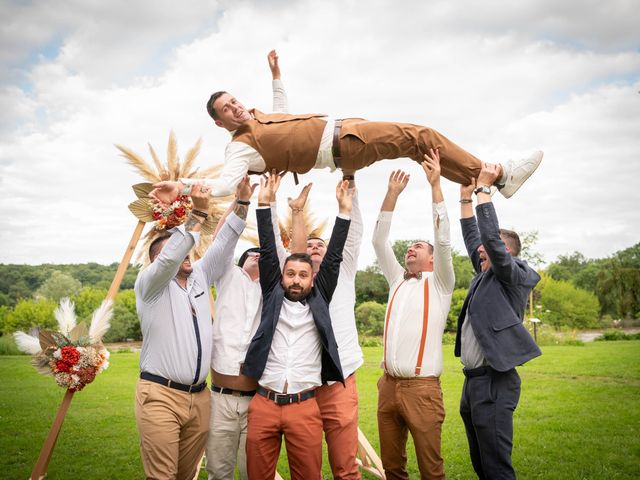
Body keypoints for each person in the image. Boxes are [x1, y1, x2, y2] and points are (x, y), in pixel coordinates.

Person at [151, 50, 542, 202]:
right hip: (343, 143)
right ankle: (501, 171)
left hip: (347, 130)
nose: (236, 107)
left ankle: (485, 181)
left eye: (234, 100)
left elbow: (282, 112)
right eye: (227, 109)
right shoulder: (238, 148)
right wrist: (182, 185)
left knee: (417, 148)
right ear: (220, 123)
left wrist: (276, 74)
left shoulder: (258, 119)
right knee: (421, 135)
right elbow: (220, 187)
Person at [134, 179, 252, 480]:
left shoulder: (199, 275)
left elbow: (225, 242)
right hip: (160, 394)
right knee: (163, 476)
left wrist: (241, 202)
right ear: (155, 262)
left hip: (200, 398)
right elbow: (172, 253)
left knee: (187, 475)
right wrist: (196, 216)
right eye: (177, 251)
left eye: (189, 251)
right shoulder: (149, 286)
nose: (186, 254)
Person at [241, 175, 353, 480]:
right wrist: (264, 204)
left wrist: (344, 211)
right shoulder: (272, 294)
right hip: (264, 402)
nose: (296, 279)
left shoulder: (320, 298)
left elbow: (334, 258)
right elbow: (267, 250)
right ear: (282, 277)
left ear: (312, 279)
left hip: (304, 406)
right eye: (290, 273)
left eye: (303, 274)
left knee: (308, 475)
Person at [372, 149, 455, 480]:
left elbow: (444, 238)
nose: (411, 248)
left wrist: (435, 185)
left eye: (419, 247)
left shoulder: (440, 283)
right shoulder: (396, 280)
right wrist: (391, 195)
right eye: (410, 246)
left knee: (430, 469)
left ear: (432, 260)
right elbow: (379, 241)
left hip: (422, 389)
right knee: (392, 468)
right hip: (387, 386)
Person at [455, 163, 542, 480]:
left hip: (494, 381)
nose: (479, 252)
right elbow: (474, 238)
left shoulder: (513, 275)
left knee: (496, 467)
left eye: (488, 249)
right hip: (473, 382)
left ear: (506, 252)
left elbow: (488, 238)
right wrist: (465, 199)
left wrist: (484, 190)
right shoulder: (486, 274)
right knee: (480, 461)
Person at [205, 174, 293, 480]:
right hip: (220, 397)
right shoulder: (227, 277)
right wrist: (239, 200)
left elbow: (283, 255)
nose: (257, 254)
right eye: (251, 253)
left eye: (261, 254)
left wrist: (272, 200)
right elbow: (221, 243)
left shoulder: (271, 290)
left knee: (252, 470)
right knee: (218, 469)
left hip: (257, 398)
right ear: (241, 261)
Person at [287, 170, 363, 479]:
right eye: (311, 244)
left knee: (345, 466)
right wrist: (296, 212)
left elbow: (355, 233)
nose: (316, 246)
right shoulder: (294, 285)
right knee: (306, 469)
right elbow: (294, 248)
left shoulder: (343, 273)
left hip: (338, 383)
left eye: (323, 244)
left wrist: (351, 187)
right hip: (302, 385)